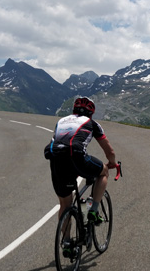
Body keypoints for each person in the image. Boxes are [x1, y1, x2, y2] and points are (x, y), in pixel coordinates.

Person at [44, 96, 117, 224]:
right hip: (77, 156)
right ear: (91, 112)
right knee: (103, 172)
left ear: (74, 109)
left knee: (65, 205)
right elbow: (109, 151)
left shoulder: (61, 121)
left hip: (56, 159)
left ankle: (66, 241)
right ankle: (93, 210)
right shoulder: (92, 123)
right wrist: (112, 163)